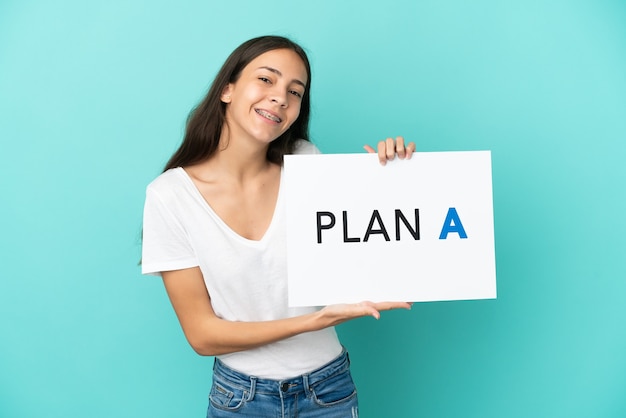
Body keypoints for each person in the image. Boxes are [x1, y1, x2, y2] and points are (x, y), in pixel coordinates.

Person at [141, 35, 415, 418]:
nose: (281, 97)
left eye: (295, 91)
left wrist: (397, 175)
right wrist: (315, 321)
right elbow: (202, 335)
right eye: (266, 80)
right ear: (227, 89)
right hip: (239, 398)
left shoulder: (307, 162)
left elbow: (369, 240)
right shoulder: (169, 196)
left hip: (328, 391)